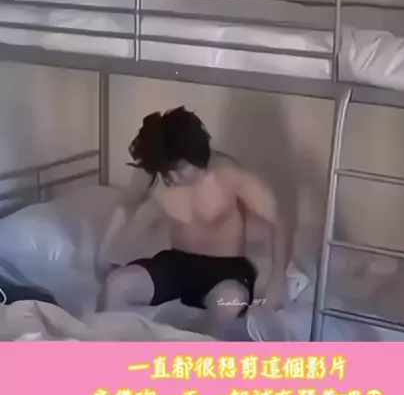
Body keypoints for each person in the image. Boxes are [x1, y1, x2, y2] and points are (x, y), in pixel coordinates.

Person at [99, 107, 287, 337]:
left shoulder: (230, 174)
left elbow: (276, 220)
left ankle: (193, 349)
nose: (172, 178)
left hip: (226, 271)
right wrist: (107, 254)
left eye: (179, 169)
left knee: (229, 302)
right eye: (167, 171)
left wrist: (277, 280)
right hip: (177, 263)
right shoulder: (159, 171)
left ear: (196, 157)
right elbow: (126, 206)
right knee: (116, 284)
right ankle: (103, 351)